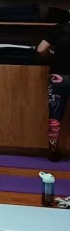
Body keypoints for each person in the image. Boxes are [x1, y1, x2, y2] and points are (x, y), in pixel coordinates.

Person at [38, 21, 70, 161]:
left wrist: (52, 56)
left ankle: (53, 152)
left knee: (55, 117)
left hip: (58, 77)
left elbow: (40, 49)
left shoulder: (60, 28)